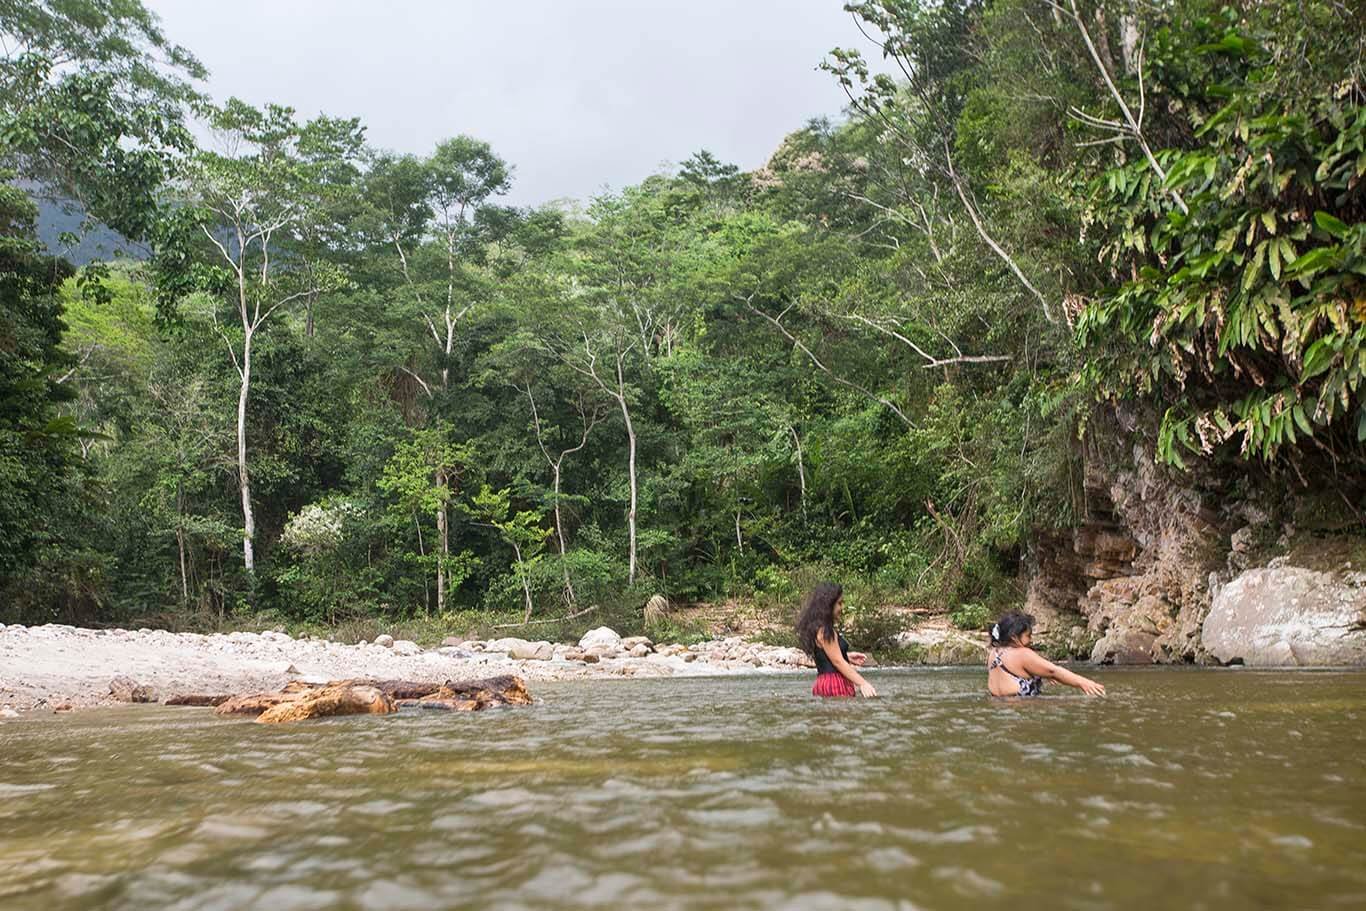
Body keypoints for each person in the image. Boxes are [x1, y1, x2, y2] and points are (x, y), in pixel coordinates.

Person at [987, 610, 1106, 697]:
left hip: (999, 707)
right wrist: (1084, 683)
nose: (1031, 640)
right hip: (1023, 709)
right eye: (1028, 636)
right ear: (1014, 637)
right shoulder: (1022, 653)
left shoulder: (994, 653)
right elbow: (1053, 671)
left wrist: (1040, 675)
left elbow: (1014, 674)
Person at [796, 582, 877, 698]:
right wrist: (863, 683)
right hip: (835, 684)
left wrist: (847, 656)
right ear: (828, 605)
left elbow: (826, 655)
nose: (842, 608)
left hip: (824, 683)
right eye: (839, 603)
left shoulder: (819, 628)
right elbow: (838, 662)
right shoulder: (825, 631)